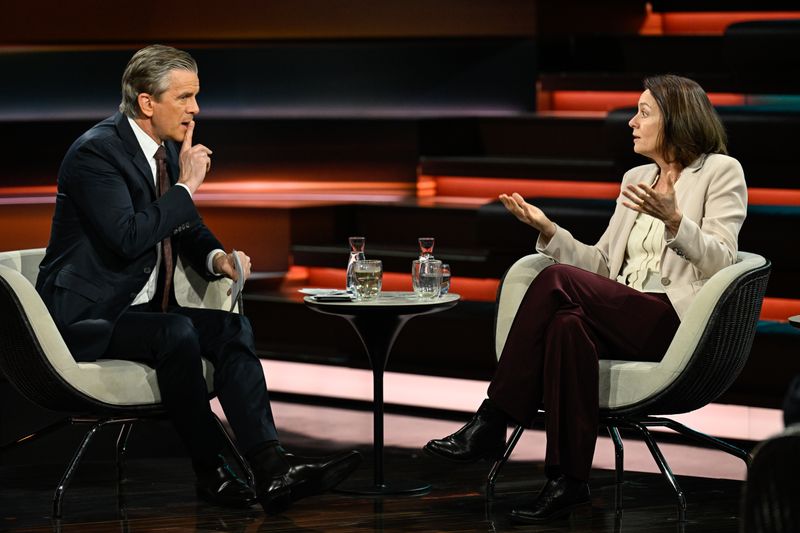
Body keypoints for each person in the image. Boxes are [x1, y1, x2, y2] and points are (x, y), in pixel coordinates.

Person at [35, 44, 361, 514]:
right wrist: (187, 186)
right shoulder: (95, 154)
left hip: (141, 312)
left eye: (197, 96)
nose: (196, 109)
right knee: (176, 331)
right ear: (148, 102)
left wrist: (215, 259)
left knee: (231, 329)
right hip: (85, 317)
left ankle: (272, 467)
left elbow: (182, 225)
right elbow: (129, 237)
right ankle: (212, 472)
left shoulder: (163, 150)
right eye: (185, 97)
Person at [424, 75, 747, 524]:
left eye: (644, 112)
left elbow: (724, 262)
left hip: (672, 322)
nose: (632, 122)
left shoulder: (719, 172)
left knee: (559, 282)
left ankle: (494, 417)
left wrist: (676, 222)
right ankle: (567, 483)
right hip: (620, 312)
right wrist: (549, 231)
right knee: (566, 325)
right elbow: (599, 267)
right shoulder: (636, 178)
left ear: (675, 120)